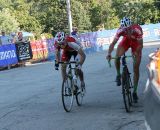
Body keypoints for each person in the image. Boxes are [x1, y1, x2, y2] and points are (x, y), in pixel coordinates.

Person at [106, 17, 143, 103]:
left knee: (136, 68)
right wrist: (108, 53)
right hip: (126, 41)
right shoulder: (120, 31)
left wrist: (136, 52)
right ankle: (118, 74)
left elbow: (141, 45)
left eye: (129, 29)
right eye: (126, 30)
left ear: (132, 27)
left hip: (136, 43)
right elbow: (113, 43)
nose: (128, 31)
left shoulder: (137, 29)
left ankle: (134, 92)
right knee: (117, 56)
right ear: (123, 28)